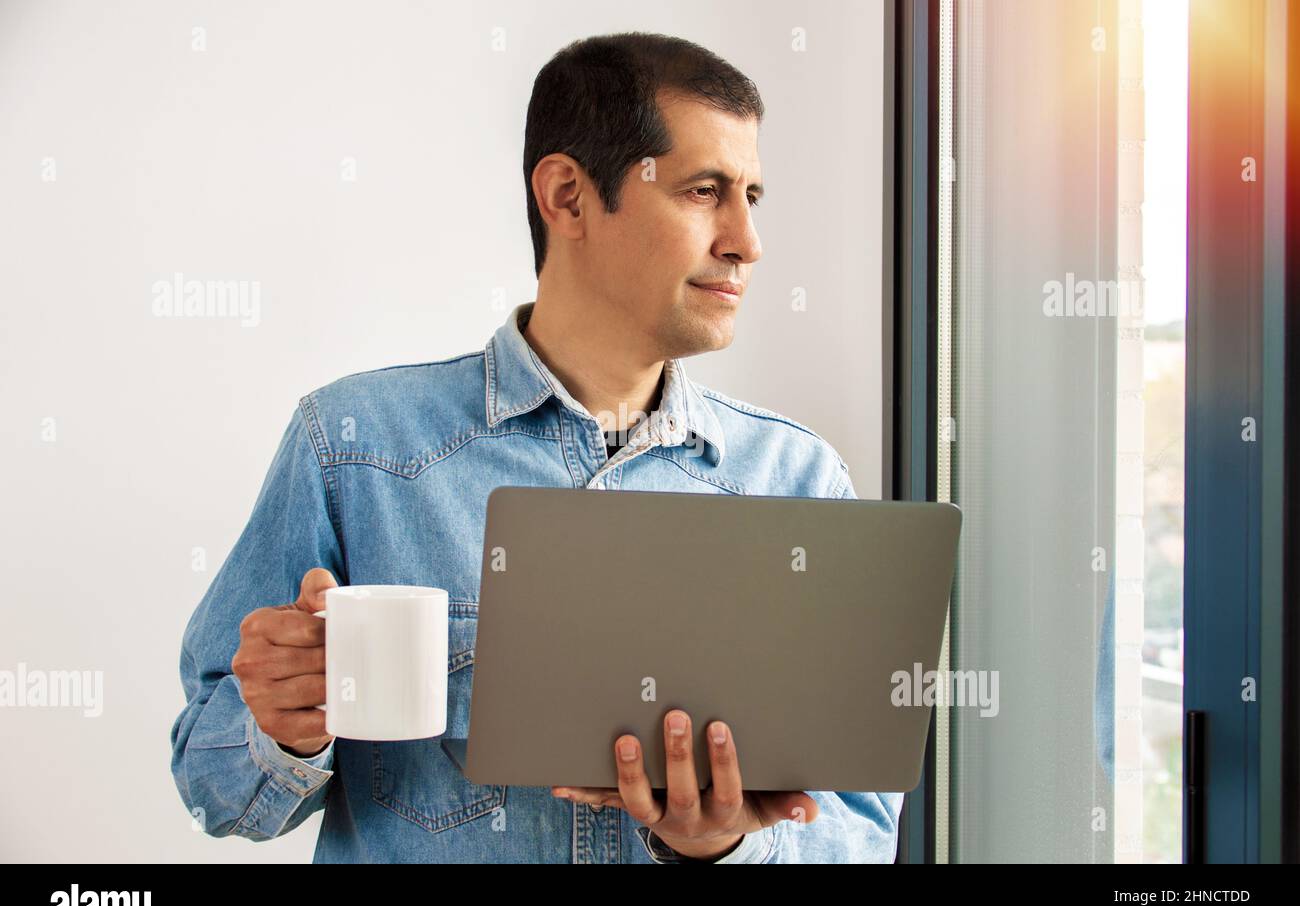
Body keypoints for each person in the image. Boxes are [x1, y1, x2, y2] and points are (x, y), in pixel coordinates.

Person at [170, 31, 902, 863]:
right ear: (568, 195)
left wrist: (726, 846)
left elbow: (861, 833)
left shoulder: (798, 480)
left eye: (752, 197)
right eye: (705, 191)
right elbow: (211, 786)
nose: (746, 241)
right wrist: (281, 730)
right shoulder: (352, 450)